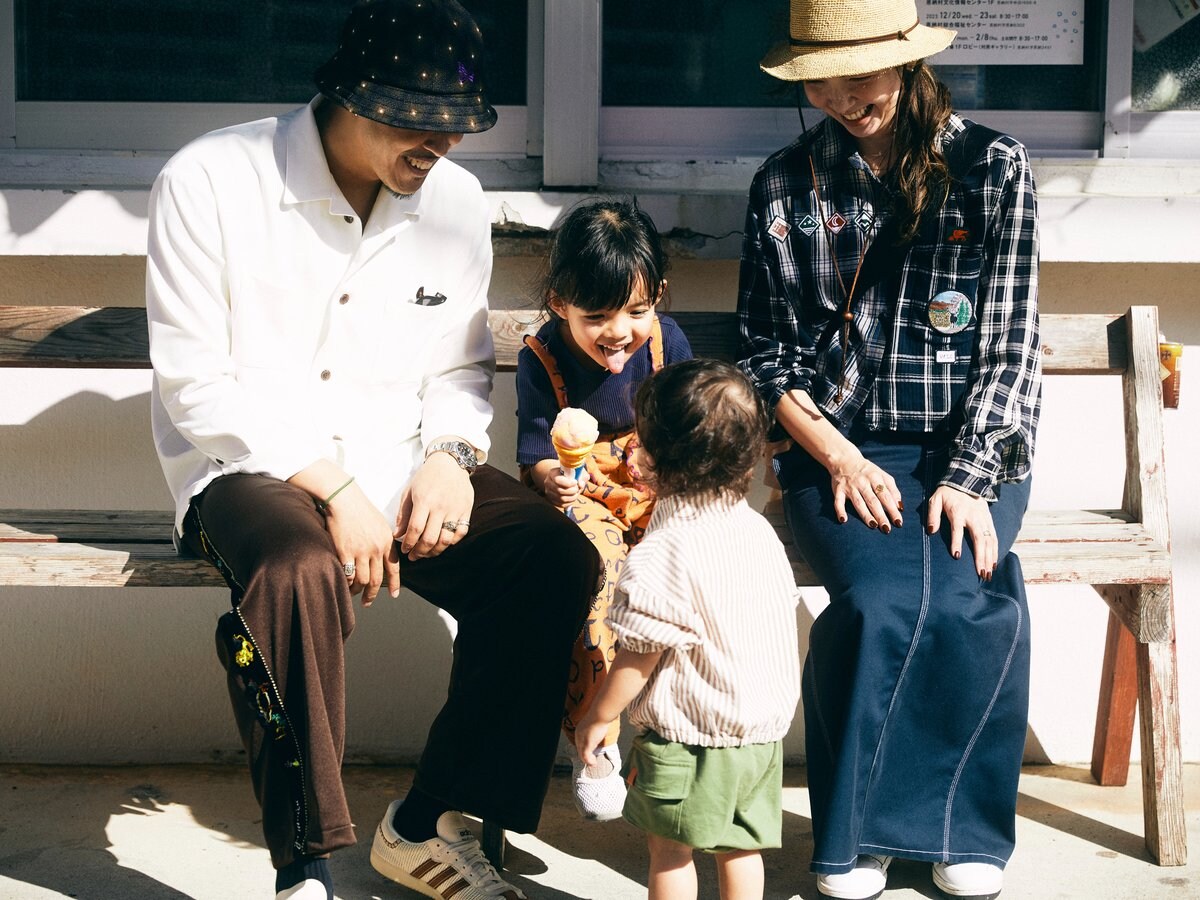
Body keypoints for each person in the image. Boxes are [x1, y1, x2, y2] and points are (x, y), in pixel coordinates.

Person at [145, 2, 600, 899]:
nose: (441, 144)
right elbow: (197, 387)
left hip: (399, 458)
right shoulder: (211, 180)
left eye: (456, 125)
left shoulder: (454, 201)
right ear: (349, 97)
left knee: (549, 556)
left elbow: (458, 367)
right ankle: (305, 867)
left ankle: (428, 823)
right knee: (295, 570)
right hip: (249, 465)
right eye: (416, 120)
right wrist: (336, 488)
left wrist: (449, 457)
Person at [738, 1, 1042, 898]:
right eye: (821, 79)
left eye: (862, 73)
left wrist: (972, 476)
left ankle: (960, 831)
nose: (844, 96)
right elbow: (766, 356)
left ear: (908, 64)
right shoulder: (785, 185)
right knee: (876, 602)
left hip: (969, 444)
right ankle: (858, 836)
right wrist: (837, 456)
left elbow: (1011, 345)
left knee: (969, 597)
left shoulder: (992, 168)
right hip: (835, 445)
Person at [574, 358, 801, 900]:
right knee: (739, 848)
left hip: (689, 738)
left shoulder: (664, 552)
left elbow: (639, 654)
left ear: (653, 458)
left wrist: (599, 716)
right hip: (761, 736)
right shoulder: (757, 532)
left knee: (671, 852)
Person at [515, 199, 694, 821]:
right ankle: (596, 738)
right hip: (584, 495)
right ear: (558, 302)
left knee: (686, 576)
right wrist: (553, 481)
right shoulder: (541, 358)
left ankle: (675, 735)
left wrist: (662, 462)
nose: (619, 332)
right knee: (599, 578)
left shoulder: (667, 343)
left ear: (658, 297)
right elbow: (537, 456)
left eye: (637, 311)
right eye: (596, 316)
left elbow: (688, 430)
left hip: (659, 486)